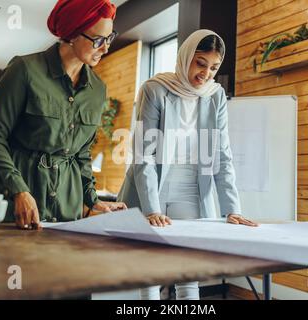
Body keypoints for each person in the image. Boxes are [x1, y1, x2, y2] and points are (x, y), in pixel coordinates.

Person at [118, 29, 258, 300]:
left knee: (187, 271)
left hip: (192, 189)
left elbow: (221, 154)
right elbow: (143, 155)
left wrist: (232, 209)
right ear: (185, 58)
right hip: (153, 185)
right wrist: (152, 210)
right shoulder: (155, 90)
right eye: (200, 63)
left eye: (214, 67)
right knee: (149, 271)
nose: (206, 74)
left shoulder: (215, 96)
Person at [0, 0, 126, 230]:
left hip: (68, 211)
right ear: (72, 34)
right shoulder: (24, 70)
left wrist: (92, 199)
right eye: (98, 40)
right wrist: (19, 189)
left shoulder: (97, 90)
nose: (105, 48)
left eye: (109, 38)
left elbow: (82, 154)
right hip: (15, 205)